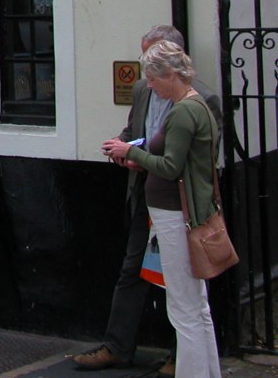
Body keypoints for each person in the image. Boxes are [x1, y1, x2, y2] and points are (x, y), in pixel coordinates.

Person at [74, 25, 221, 373]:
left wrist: (135, 155)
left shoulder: (190, 107)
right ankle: (122, 347)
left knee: (184, 302)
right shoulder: (154, 94)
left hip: (177, 209)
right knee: (148, 277)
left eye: (152, 72)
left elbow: (174, 165)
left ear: (170, 69)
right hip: (151, 199)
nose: (147, 82)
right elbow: (138, 133)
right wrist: (123, 147)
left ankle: (186, 364)